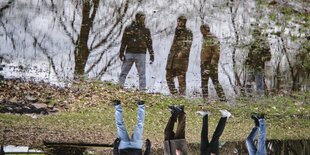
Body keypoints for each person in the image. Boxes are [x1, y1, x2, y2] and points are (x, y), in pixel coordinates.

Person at [119, 12, 154, 91]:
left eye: (144, 19)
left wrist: (151, 54)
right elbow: (124, 41)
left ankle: (142, 89)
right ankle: (120, 86)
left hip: (141, 53)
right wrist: (121, 52)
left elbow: (149, 43)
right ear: (137, 18)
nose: (142, 20)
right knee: (124, 71)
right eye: (141, 18)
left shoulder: (146, 30)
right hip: (129, 52)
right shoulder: (129, 28)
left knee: (142, 74)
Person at [166, 16, 193, 95]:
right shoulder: (177, 31)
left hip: (181, 59)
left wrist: (182, 53)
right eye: (178, 21)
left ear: (184, 22)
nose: (179, 23)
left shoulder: (188, 32)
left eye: (181, 21)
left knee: (181, 77)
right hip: (172, 58)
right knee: (168, 76)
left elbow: (188, 45)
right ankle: (174, 93)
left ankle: (182, 95)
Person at [200, 24, 226, 101]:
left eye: (202, 29)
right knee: (204, 82)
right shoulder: (205, 38)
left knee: (214, 81)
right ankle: (205, 100)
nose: (201, 31)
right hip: (204, 64)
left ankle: (223, 99)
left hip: (210, 64)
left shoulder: (212, 38)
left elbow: (216, 52)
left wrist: (212, 63)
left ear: (205, 29)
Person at [245, 27, 271, 96]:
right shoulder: (253, 43)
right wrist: (247, 61)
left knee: (259, 84)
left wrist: (261, 60)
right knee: (248, 83)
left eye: (256, 34)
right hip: (251, 66)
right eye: (254, 34)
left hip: (259, 67)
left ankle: (261, 100)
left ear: (259, 34)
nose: (255, 36)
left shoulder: (264, 43)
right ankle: (249, 98)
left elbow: (269, 56)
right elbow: (249, 54)